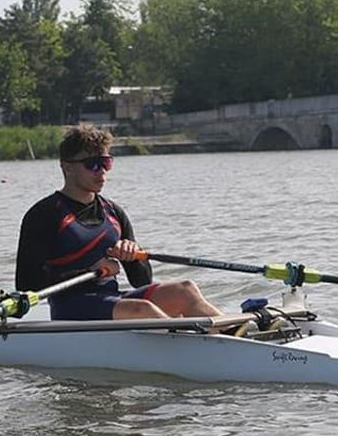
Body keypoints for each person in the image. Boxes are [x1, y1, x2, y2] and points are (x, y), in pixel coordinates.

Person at [16, 124, 222, 321]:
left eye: (106, 163)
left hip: (110, 300)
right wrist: (89, 272)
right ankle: (193, 340)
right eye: (93, 165)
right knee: (143, 309)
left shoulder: (114, 212)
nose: (102, 172)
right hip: (71, 307)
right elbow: (26, 284)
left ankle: (231, 332)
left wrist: (133, 256)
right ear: (67, 168)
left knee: (185, 290)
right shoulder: (45, 214)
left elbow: (142, 281)